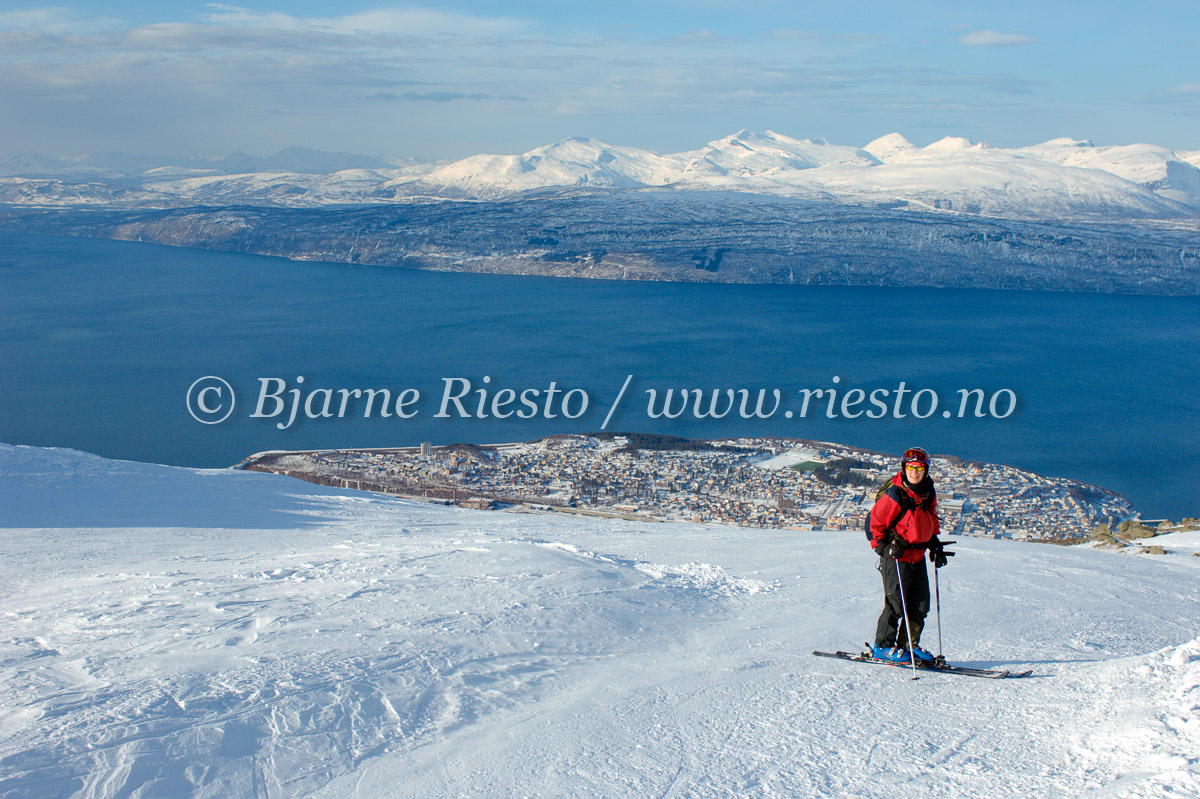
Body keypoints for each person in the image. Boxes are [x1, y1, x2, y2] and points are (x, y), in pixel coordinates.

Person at [867, 446, 950, 664]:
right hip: (897, 557)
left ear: (926, 470)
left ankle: (907, 644)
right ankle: (882, 646)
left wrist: (935, 544)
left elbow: (929, 521)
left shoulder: (927, 492)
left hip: (918, 556)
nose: (915, 472)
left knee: (920, 605)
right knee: (896, 604)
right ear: (904, 468)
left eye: (920, 468)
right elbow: (874, 524)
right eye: (911, 467)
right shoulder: (895, 494)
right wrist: (884, 549)